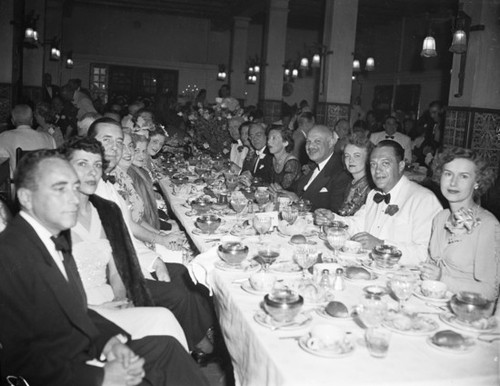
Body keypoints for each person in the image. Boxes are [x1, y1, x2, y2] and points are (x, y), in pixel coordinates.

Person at [0, 149, 209, 386]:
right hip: (62, 372)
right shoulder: (10, 256)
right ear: (26, 198)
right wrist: (101, 376)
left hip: (80, 348)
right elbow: (17, 358)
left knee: (167, 348)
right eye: (59, 189)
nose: (73, 198)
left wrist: (111, 342)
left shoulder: (50, 238)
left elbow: (72, 311)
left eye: (73, 186)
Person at [87, 118, 217, 361]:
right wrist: (150, 261)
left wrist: (154, 259)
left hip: (130, 258)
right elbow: (116, 243)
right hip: (113, 273)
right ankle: (200, 346)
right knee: (178, 292)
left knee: (184, 273)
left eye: (119, 142)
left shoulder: (108, 185)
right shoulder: (90, 188)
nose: (116, 148)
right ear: (89, 143)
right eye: (107, 141)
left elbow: (124, 230)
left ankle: (204, 332)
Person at [61, 137, 188, 348]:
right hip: (80, 313)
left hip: (113, 294)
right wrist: (98, 308)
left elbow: (115, 267)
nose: (92, 172)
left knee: (165, 320)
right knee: (165, 326)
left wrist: (121, 298)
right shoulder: (56, 219)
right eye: (82, 164)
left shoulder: (103, 210)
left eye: (97, 165)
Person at [315, 140, 442, 264]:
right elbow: (358, 224)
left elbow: (426, 253)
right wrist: (332, 220)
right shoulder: (374, 194)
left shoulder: (423, 200)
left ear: (401, 166)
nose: (377, 170)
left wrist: (381, 245)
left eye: (385, 163)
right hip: (371, 268)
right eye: (373, 164)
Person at [421, 147, 500, 300]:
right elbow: (431, 264)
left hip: (467, 310)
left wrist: (441, 278)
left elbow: (490, 292)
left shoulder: (488, 226)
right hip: (434, 300)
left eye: (463, 176)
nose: (453, 182)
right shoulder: (441, 217)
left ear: (477, 182)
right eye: (448, 174)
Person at [289, 125, 351, 211]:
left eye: (317, 141)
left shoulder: (341, 171)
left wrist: (299, 202)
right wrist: (281, 191)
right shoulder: (312, 165)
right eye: (308, 141)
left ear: (330, 143)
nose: (310, 146)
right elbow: (294, 190)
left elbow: (335, 212)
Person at [0, 104, 56, 176]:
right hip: (44, 184)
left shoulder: (4, 137)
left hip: (18, 185)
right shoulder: (49, 138)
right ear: (32, 120)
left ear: (13, 121)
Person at [337, 133, 373, 216]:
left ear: (368, 158)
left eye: (357, 156)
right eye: (347, 156)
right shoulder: (351, 183)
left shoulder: (371, 188)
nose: (350, 160)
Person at [267, 126, 301, 191]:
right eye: (268, 138)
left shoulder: (292, 162)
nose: (268, 142)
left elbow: (284, 188)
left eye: (273, 138)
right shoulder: (271, 159)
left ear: (285, 142)